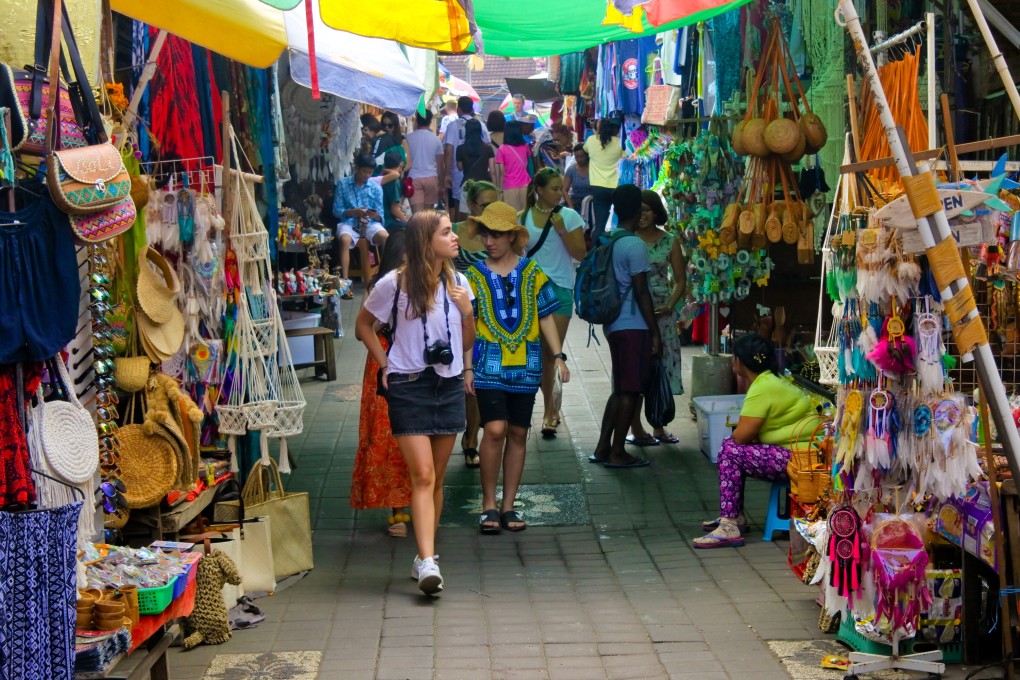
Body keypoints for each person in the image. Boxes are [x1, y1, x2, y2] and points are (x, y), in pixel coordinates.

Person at [355, 210, 475, 595]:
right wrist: (385, 362)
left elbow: (467, 342)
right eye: (445, 232)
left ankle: (427, 555)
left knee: (436, 479)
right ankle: (426, 562)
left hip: (448, 384)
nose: (454, 236)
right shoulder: (393, 284)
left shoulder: (459, 283)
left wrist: (467, 311)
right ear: (426, 241)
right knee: (422, 475)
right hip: (408, 385)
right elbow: (362, 326)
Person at [464, 202, 570, 533]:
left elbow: (546, 315)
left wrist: (558, 356)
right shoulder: (473, 277)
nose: (489, 241)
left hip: (527, 365)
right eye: (485, 234)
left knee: (519, 432)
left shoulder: (533, 273)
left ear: (512, 236)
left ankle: (508, 506)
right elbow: (467, 326)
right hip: (487, 366)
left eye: (496, 235)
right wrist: (466, 368)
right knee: (494, 429)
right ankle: (488, 505)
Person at [694, 334, 815, 549]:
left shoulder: (762, 387)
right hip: (799, 452)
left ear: (739, 361)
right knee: (731, 449)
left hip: (800, 458)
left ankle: (730, 522)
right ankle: (732, 516)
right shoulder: (770, 381)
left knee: (731, 450)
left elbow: (740, 436)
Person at [588, 184, 661, 468]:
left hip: (612, 322)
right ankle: (618, 451)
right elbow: (642, 292)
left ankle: (603, 446)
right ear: (635, 210)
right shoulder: (634, 245)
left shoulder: (607, 238)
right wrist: (655, 332)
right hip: (632, 324)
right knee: (630, 390)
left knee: (620, 388)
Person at [352, 232, 412, 538]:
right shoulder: (380, 286)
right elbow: (361, 331)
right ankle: (397, 508)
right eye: (405, 261)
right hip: (384, 364)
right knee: (388, 437)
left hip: (415, 363)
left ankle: (418, 501)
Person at [519, 167, 587, 438]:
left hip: (560, 290)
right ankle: (550, 408)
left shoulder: (569, 216)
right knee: (538, 354)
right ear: (539, 190)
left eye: (562, 188)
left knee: (551, 352)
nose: (561, 193)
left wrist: (561, 231)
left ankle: (550, 412)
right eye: (556, 189)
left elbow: (580, 253)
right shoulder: (523, 217)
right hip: (531, 291)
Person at [626, 191, 686, 446]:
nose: (642, 215)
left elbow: (681, 280)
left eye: (647, 209)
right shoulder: (629, 240)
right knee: (637, 368)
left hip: (662, 314)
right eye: (638, 210)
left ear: (656, 211)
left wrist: (670, 305)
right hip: (634, 311)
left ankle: (658, 426)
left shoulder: (670, 241)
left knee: (660, 367)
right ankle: (636, 426)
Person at [453, 180, 499, 469]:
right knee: (459, 379)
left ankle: (471, 439)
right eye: (485, 205)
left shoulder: (498, 235)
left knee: (478, 381)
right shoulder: (454, 233)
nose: (490, 211)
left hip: (489, 317)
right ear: (470, 205)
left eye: (495, 204)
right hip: (456, 316)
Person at [332, 153, 389, 295]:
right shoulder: (343, 184)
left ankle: (387, 276)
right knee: (345, 240)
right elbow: (336, 210)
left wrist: (375, 216)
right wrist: (352, 212)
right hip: (349, 222)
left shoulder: (375, 188)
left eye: (370, 172)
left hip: (369, 223)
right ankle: (345, 281)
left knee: (386, 237)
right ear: (356, 168)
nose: (367, 175)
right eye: (364, 171)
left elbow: (381, 215)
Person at [444, 96, 491, 220]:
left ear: (458, 109)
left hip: (458, 172)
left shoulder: (452, 126)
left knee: (461, 206)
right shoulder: (481, 125)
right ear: (471, 109)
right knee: (480, 205)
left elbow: (448, 150)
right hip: (480, 172)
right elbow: (488, 146)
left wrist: (447, 173)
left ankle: (463, 233)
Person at [583, 119, 624, 234]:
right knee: (617, 224)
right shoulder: (620, 142)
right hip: (615, 187)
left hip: (597, 187)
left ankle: (598, 250)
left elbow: (585, 149)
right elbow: (627, 158)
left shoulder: (591, 140)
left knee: (600, 226)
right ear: (615, 129)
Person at [406, 110, 445, 214]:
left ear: (417, 121)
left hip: (413, 179)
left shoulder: (407, 139)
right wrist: (441, 185)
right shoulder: (436, 140)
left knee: (417, 215)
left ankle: (418, 231)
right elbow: (440, 166)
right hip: (431, 179)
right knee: (428, 215)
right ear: (430, 121)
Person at [493, 121, 531, 211]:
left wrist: (500, 189)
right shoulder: (525, 146)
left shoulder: (502, 149)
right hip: (526, 185)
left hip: (509, 186)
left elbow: (502, 172)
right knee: (524, 214)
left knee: (512, 216)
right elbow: (527, 164)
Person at [456, 119, 495, 203]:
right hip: (484, 184)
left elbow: (460, 167)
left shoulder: (460, 149)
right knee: (483, 211)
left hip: (467, 184)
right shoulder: (488, 148)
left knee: (467, 212)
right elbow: (492, 171)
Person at [562, 144, 593, 219]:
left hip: (590, 203)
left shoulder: (593, 168)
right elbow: (564, 190)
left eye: (582, 157)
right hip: (574, 202)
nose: (579, 159)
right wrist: (571, 208)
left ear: (587, 156)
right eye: (576, 157)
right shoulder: (571, 169)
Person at [380, 151, 407, 231]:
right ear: (401, 164)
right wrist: (407, 221)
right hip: (387, 221)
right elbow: (394, 209)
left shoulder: (380, 176)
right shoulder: (394, 182)